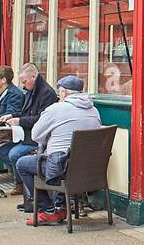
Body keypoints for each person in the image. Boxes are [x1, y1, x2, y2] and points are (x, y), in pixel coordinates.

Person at [16, 74, 102, 225]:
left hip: (63, 168)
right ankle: (59, 206)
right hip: (88, 168)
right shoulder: (94, 110)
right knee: (64, 158)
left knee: (22, 163)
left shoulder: (56, 109)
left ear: (63, 93)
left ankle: (48, 211)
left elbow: (36, 135)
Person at [0, 64, 59, 188]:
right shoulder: (31, 90)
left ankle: (22, 185)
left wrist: (19, 121)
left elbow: (41, 119)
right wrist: (11, 115)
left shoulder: (47, 93)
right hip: (26, 134)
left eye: (24, 81)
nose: (23, 85)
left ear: (33, 77)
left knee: (14, 154)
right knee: (1, 151)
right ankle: (23, 180)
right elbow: (26, 112)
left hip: (37, 138)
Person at [0, 65, 26, 172]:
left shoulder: (15, 94)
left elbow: (11, 112)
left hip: (7, 131)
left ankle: (20, 171)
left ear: (4, 80)